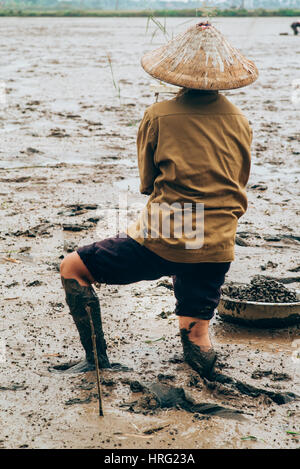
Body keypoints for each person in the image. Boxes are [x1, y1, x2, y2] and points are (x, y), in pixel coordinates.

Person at [59, 22, 258, 378]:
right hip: (219, 241)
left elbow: (148, 183)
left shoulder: (158, 114)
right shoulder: (241, 119)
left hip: (169, 234)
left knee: (72, 268)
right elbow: (238, 180)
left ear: (175, 72)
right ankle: (205, 374)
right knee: (196, 331)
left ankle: (96, 362)